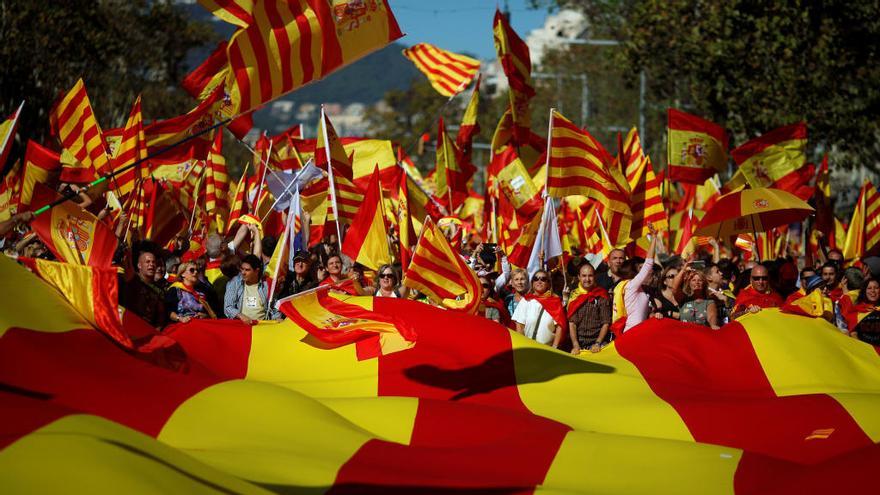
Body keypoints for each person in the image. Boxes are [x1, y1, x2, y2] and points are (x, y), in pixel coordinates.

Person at [620, 223, 658, 333]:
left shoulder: (636, 287)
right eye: (639, 268)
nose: (642, 271)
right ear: (633, 271)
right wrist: (654, 238)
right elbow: (649, 263)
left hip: (639, 332)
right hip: (632, 332)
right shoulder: (631, 285)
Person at [513, 270, 565, 347]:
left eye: (543, 279)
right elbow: (519, 326)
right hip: (528, 347)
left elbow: (559, 327)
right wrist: (522, 346)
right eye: (536, 279)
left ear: (548, 284)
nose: (539, 281)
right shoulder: (526, 300)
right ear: (532, 283)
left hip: (548, 349)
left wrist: (554, 347)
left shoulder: (555, 302)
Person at [224, 254, 281, 324]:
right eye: (242, 269)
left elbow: (274, 308)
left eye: (247, 270)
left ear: (256, 271)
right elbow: (228, 307)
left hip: (262, 326)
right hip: (241, 326)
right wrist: (241, 316)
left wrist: (278, 320)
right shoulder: (234, 283)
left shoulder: (266, 285)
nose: (243, 272)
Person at [567, 263, 611, 354]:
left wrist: (598, 343)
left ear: (595, 276)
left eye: (590, 276)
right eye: (584, 276)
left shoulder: (602, 295)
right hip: (577, 343)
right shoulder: (574, 295)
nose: (587, 279)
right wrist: (575, 345)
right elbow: (572, 324)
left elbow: (606, 323)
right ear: (579, 277)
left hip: (598, 342)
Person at [120, 250, 167, 328]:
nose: (151, 264)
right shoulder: (132, 279)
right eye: (147, 262)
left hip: (146, 331)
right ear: (139, 265)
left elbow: (160, 320)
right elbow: (127, 266)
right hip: (127, 325)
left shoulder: (159, 291)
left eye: (153, 262)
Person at [847, 279, 880, 346]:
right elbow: (853, 333)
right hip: (864, 352)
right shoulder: (857, 310)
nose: (873, 291)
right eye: (869, 288)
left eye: (876, 288)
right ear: (865, 291)